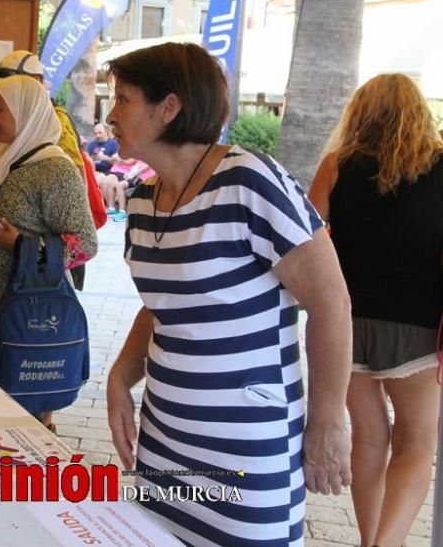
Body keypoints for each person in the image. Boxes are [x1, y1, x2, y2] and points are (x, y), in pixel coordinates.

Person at [103, 43, 352, 546]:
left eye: (123, 98)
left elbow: (332, 304)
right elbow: (163, 307)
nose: (111, 115)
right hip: (165, 439)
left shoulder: (248, 181)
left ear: (168, 108)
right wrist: (119, 377)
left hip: (246, 449)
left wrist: (327, 420)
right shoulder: (144, 200)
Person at [308, 73, 443, 547]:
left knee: (369, 440)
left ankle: (373, 542)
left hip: (347, 323)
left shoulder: (336, 167)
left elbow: (303, 239)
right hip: (420, 326)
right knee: (416, 443)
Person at [0, 75, 97, 430]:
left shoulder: (55, 170)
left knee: (15, 426)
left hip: (18, 321)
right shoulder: (1, 158)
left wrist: (19, 246)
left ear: (25, 112)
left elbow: (85, 243)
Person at [0, 50, 105, 291]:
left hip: (26, 305)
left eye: (14, 81)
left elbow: (73, 190)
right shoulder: (1, 152)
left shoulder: (55, 130)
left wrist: (24, 246)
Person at [102, 157, 155, 222]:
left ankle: (121, 212)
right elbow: (137, 167)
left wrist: (132, 174)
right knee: (118, 185)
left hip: (145, 178)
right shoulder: (141, 154)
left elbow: (144, 167)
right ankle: (121, 212)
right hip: (136, 177)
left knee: (119, 184)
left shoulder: (152, 154)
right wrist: (131, 174)